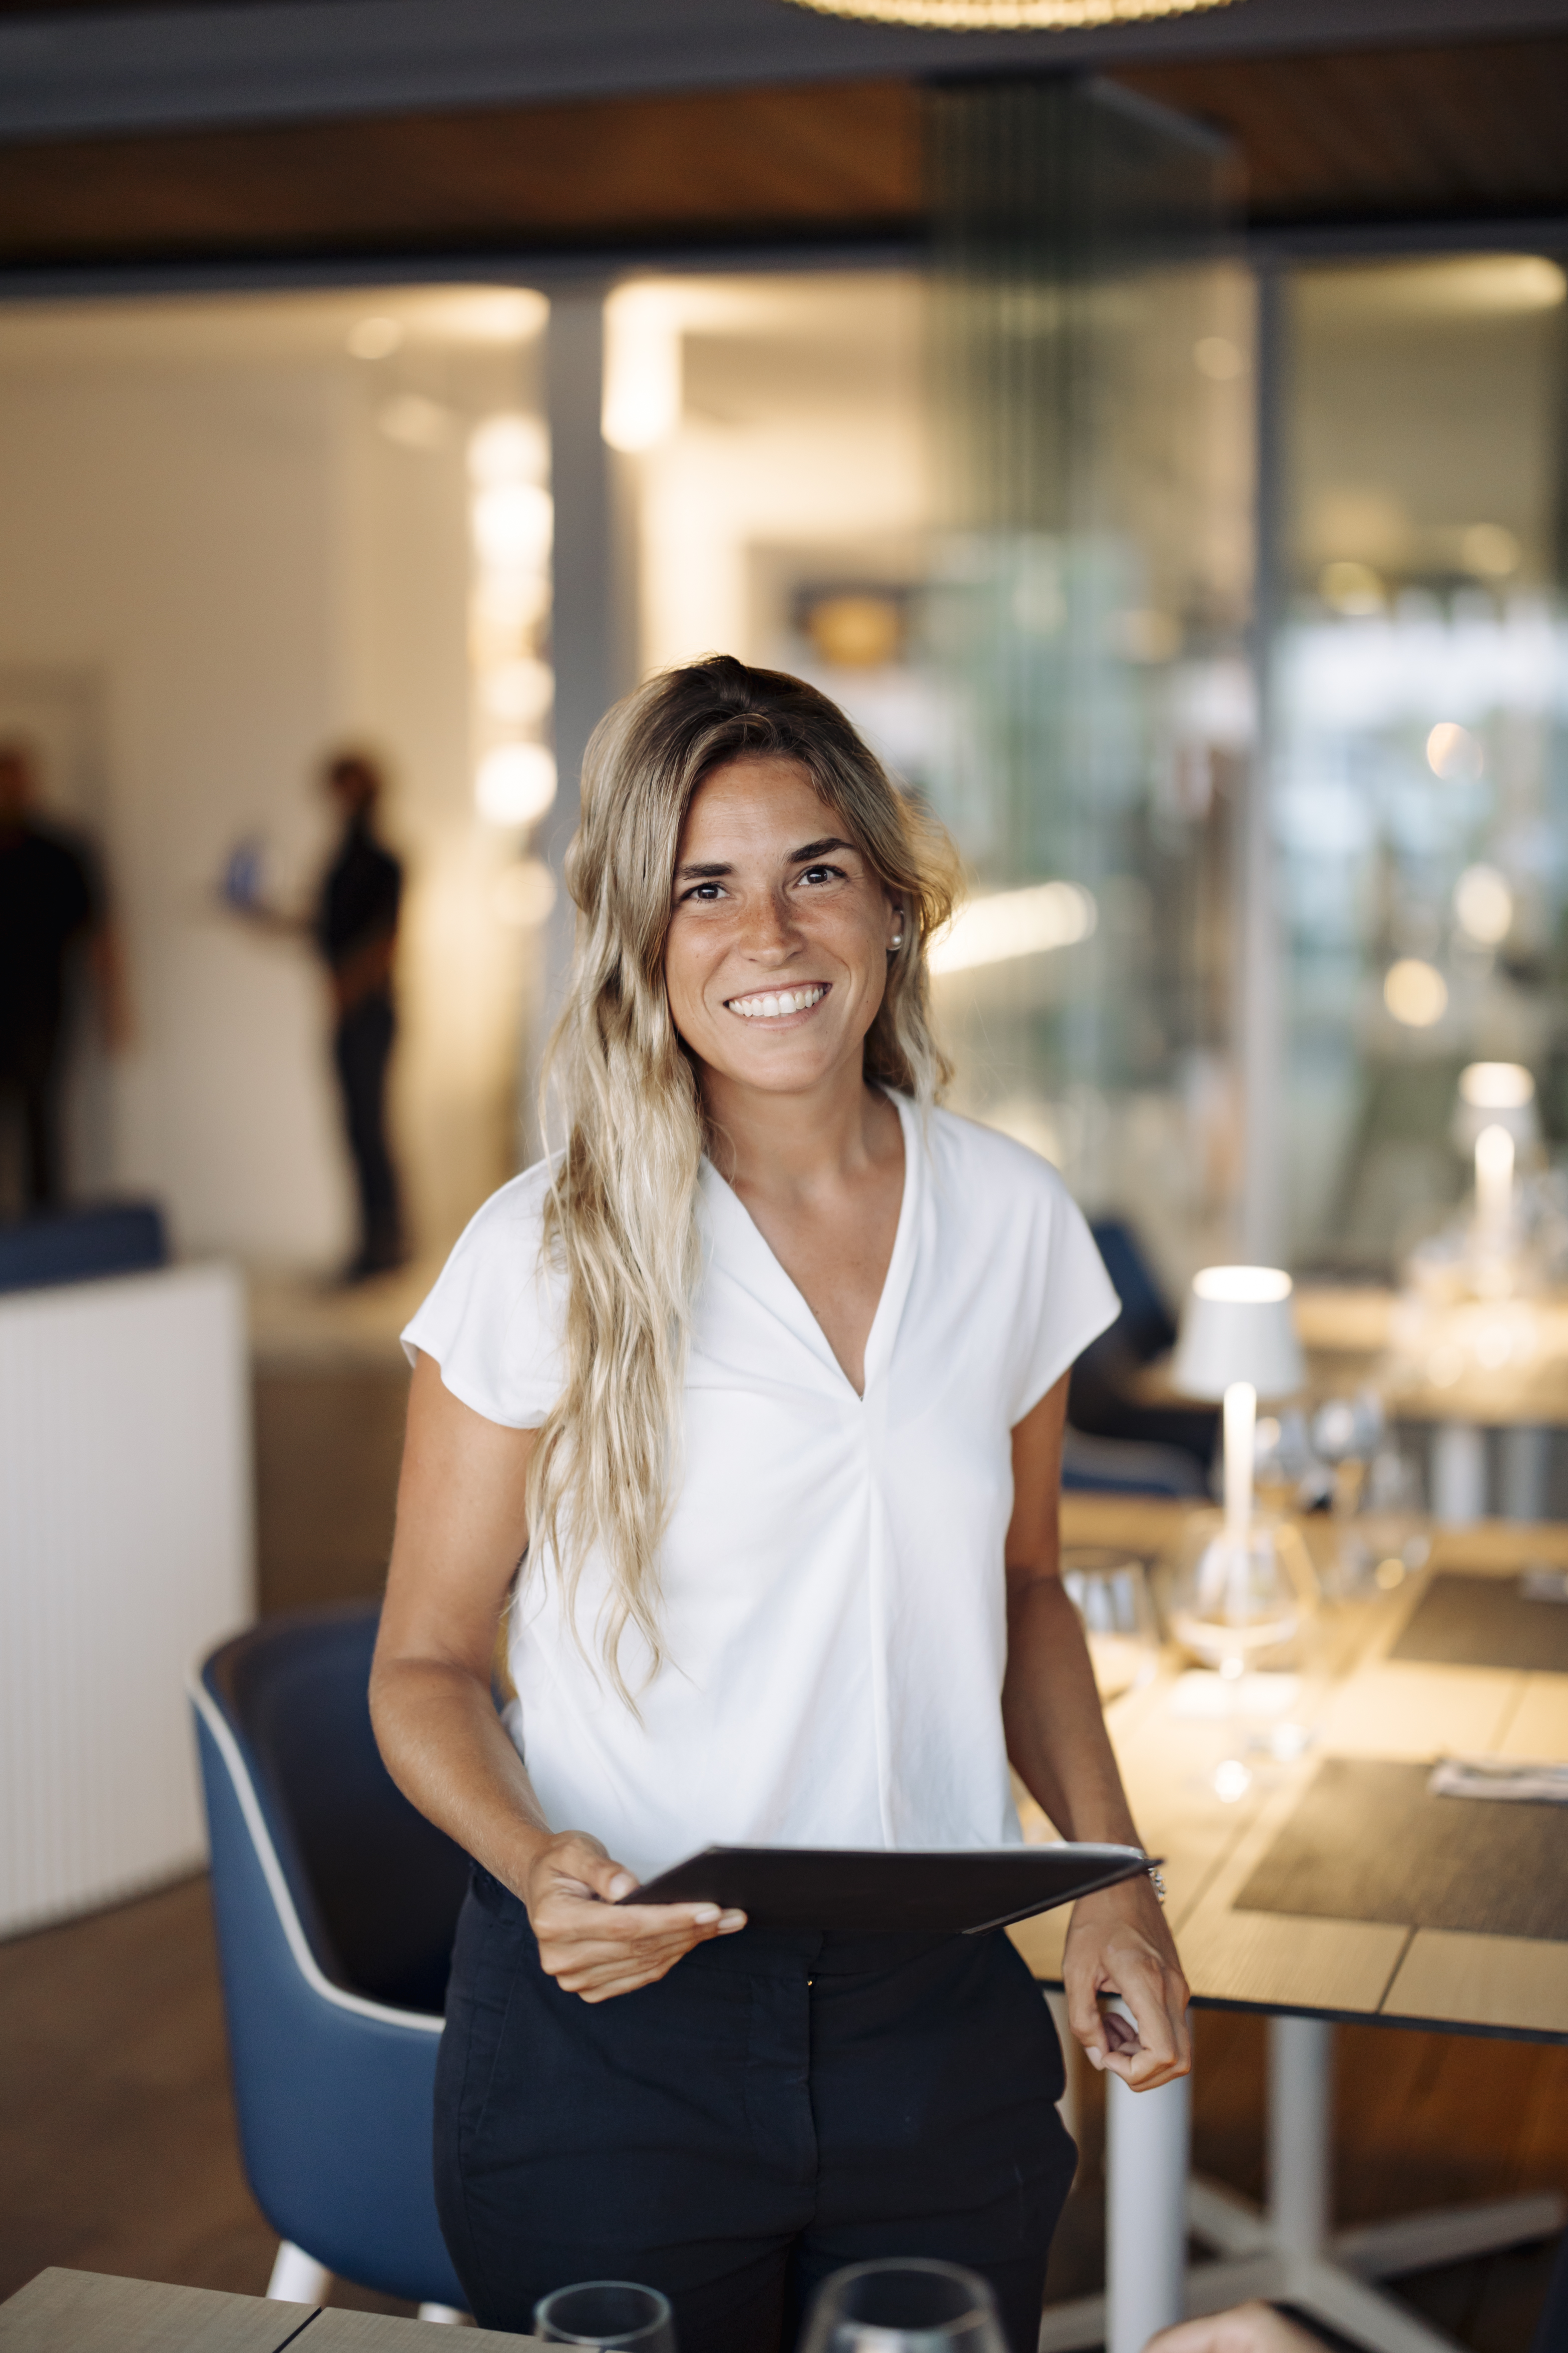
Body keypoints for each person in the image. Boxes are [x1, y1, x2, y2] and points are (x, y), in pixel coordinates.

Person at [370, 657, 1191, 2353]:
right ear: (642, 939)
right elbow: (427, 1664)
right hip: (622, 2041)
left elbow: (1027, 1589)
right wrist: (536, 1869)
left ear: (893, 903)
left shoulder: (1010, 1216)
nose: (771, 932)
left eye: (815, 869)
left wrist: (1112, 1883)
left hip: (937, 2018)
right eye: (705, 888)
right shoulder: (542, 1250)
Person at [226, 747, 406, 1281]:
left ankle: (385, 1243)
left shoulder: (383, 862)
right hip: (348, 1012)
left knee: (369, 1127)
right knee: (354, 1128)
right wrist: (260, 916)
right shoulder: (341, 861)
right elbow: (320, 926)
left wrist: (345, 991)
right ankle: (373, 1239)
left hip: (369, 1014)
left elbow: (385, 943)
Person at [0, 739, 125, 1213]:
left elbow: (101, 933)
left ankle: (45, 1227)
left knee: (41, 1120)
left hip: (40, 1008)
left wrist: (117, 1009)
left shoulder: (60, 853)